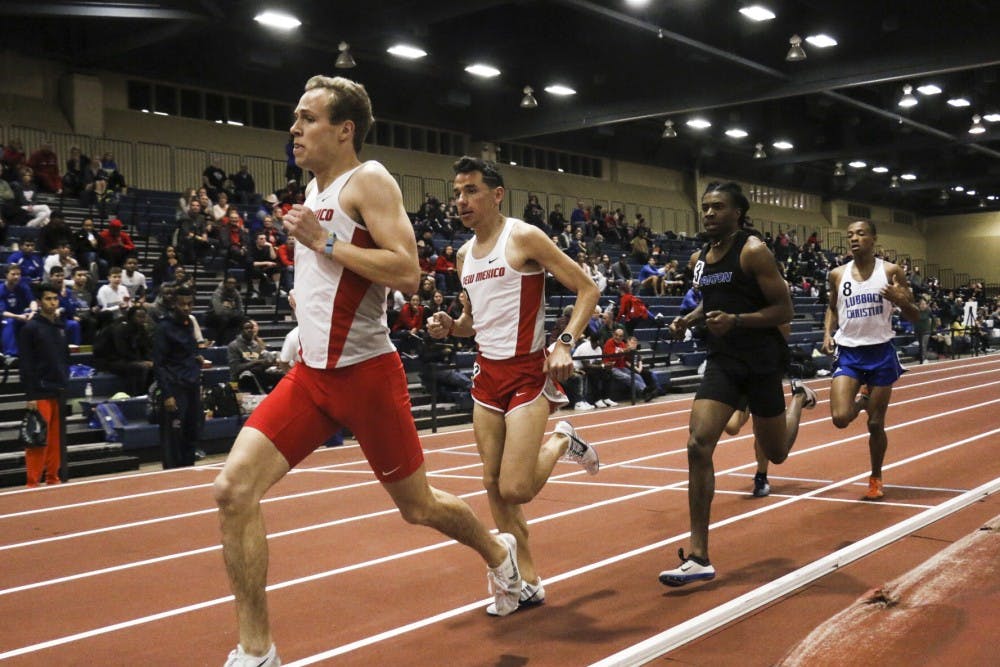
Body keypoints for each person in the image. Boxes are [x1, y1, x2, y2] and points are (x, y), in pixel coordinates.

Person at [213, 75, 522, 667]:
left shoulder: (370, 179)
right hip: (312, 376)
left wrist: (325, 241)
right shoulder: (313, 187)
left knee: (419, 507)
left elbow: (407, 272)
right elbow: (331, 279)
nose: (294, 128)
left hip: (366, 376)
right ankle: (257, 651)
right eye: (295, 118)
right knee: (232, 490)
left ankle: (498, 552)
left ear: (345, 128)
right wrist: (305, 312)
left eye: (307, 118)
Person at [426, 156, 601, 616]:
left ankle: (564, 440)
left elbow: (587, 290)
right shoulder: (463, 255)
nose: (461, 200)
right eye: (457, 192)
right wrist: (452, 325)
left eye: (472, 191)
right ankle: (527, 580)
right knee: (491, 485)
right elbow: (472, 323)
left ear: (497, 194)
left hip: (528, 373)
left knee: (516, 488)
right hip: (488, 376)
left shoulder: (522, 237)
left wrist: (564, 343)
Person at [659, 181, 817, 587]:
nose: (708, 213)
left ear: (737, 214)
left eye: (717, 207)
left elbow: (785, 308)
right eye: (705, 207)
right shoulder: (701, 257)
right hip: (725, 361)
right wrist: (688, 320)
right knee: (698, 444)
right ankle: (698, 555)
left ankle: (798, 399)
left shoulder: (752, 251)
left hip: (762, 362)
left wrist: (738, 321)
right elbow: (711, 302)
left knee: (776, 453)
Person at [821, 219, 918, 501]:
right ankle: (862, 401)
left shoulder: (890, 271)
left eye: (861, 234)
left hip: (880, 353)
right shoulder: (837, 274)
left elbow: (915, 317)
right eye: (850, 235)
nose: (854, 238)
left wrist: (902, 300)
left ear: (874, 238)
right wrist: (828, 332)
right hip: (849, 352)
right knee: (840, 418)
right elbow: (832, 308)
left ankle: (875, 476)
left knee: (875, 424)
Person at [18, 282, 69, 487]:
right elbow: (26, 364)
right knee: (37, 438)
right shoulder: (30, 328)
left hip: (59, 389)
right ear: (39, 302)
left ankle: (52, 478)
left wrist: (65, 381)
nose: (53, 302)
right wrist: (30, 395)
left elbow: (64, 359)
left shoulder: (60, 327)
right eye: (48, 299)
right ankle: (32, 482)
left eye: (55, 298)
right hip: (39, 391)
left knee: (56, 440)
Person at [152, 287, 204, 469]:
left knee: (192, 430)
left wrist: (197, 360)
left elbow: (190, 352)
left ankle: (188, 470)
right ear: (174, 304)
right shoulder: (163, 327)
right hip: (174, 387)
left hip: (191, 384)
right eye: (182, 304)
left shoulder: (189, 324)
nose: (187, 308)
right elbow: (158, 364)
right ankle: (171, 474)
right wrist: (167, 394)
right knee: (173, 436)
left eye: (190, 304)